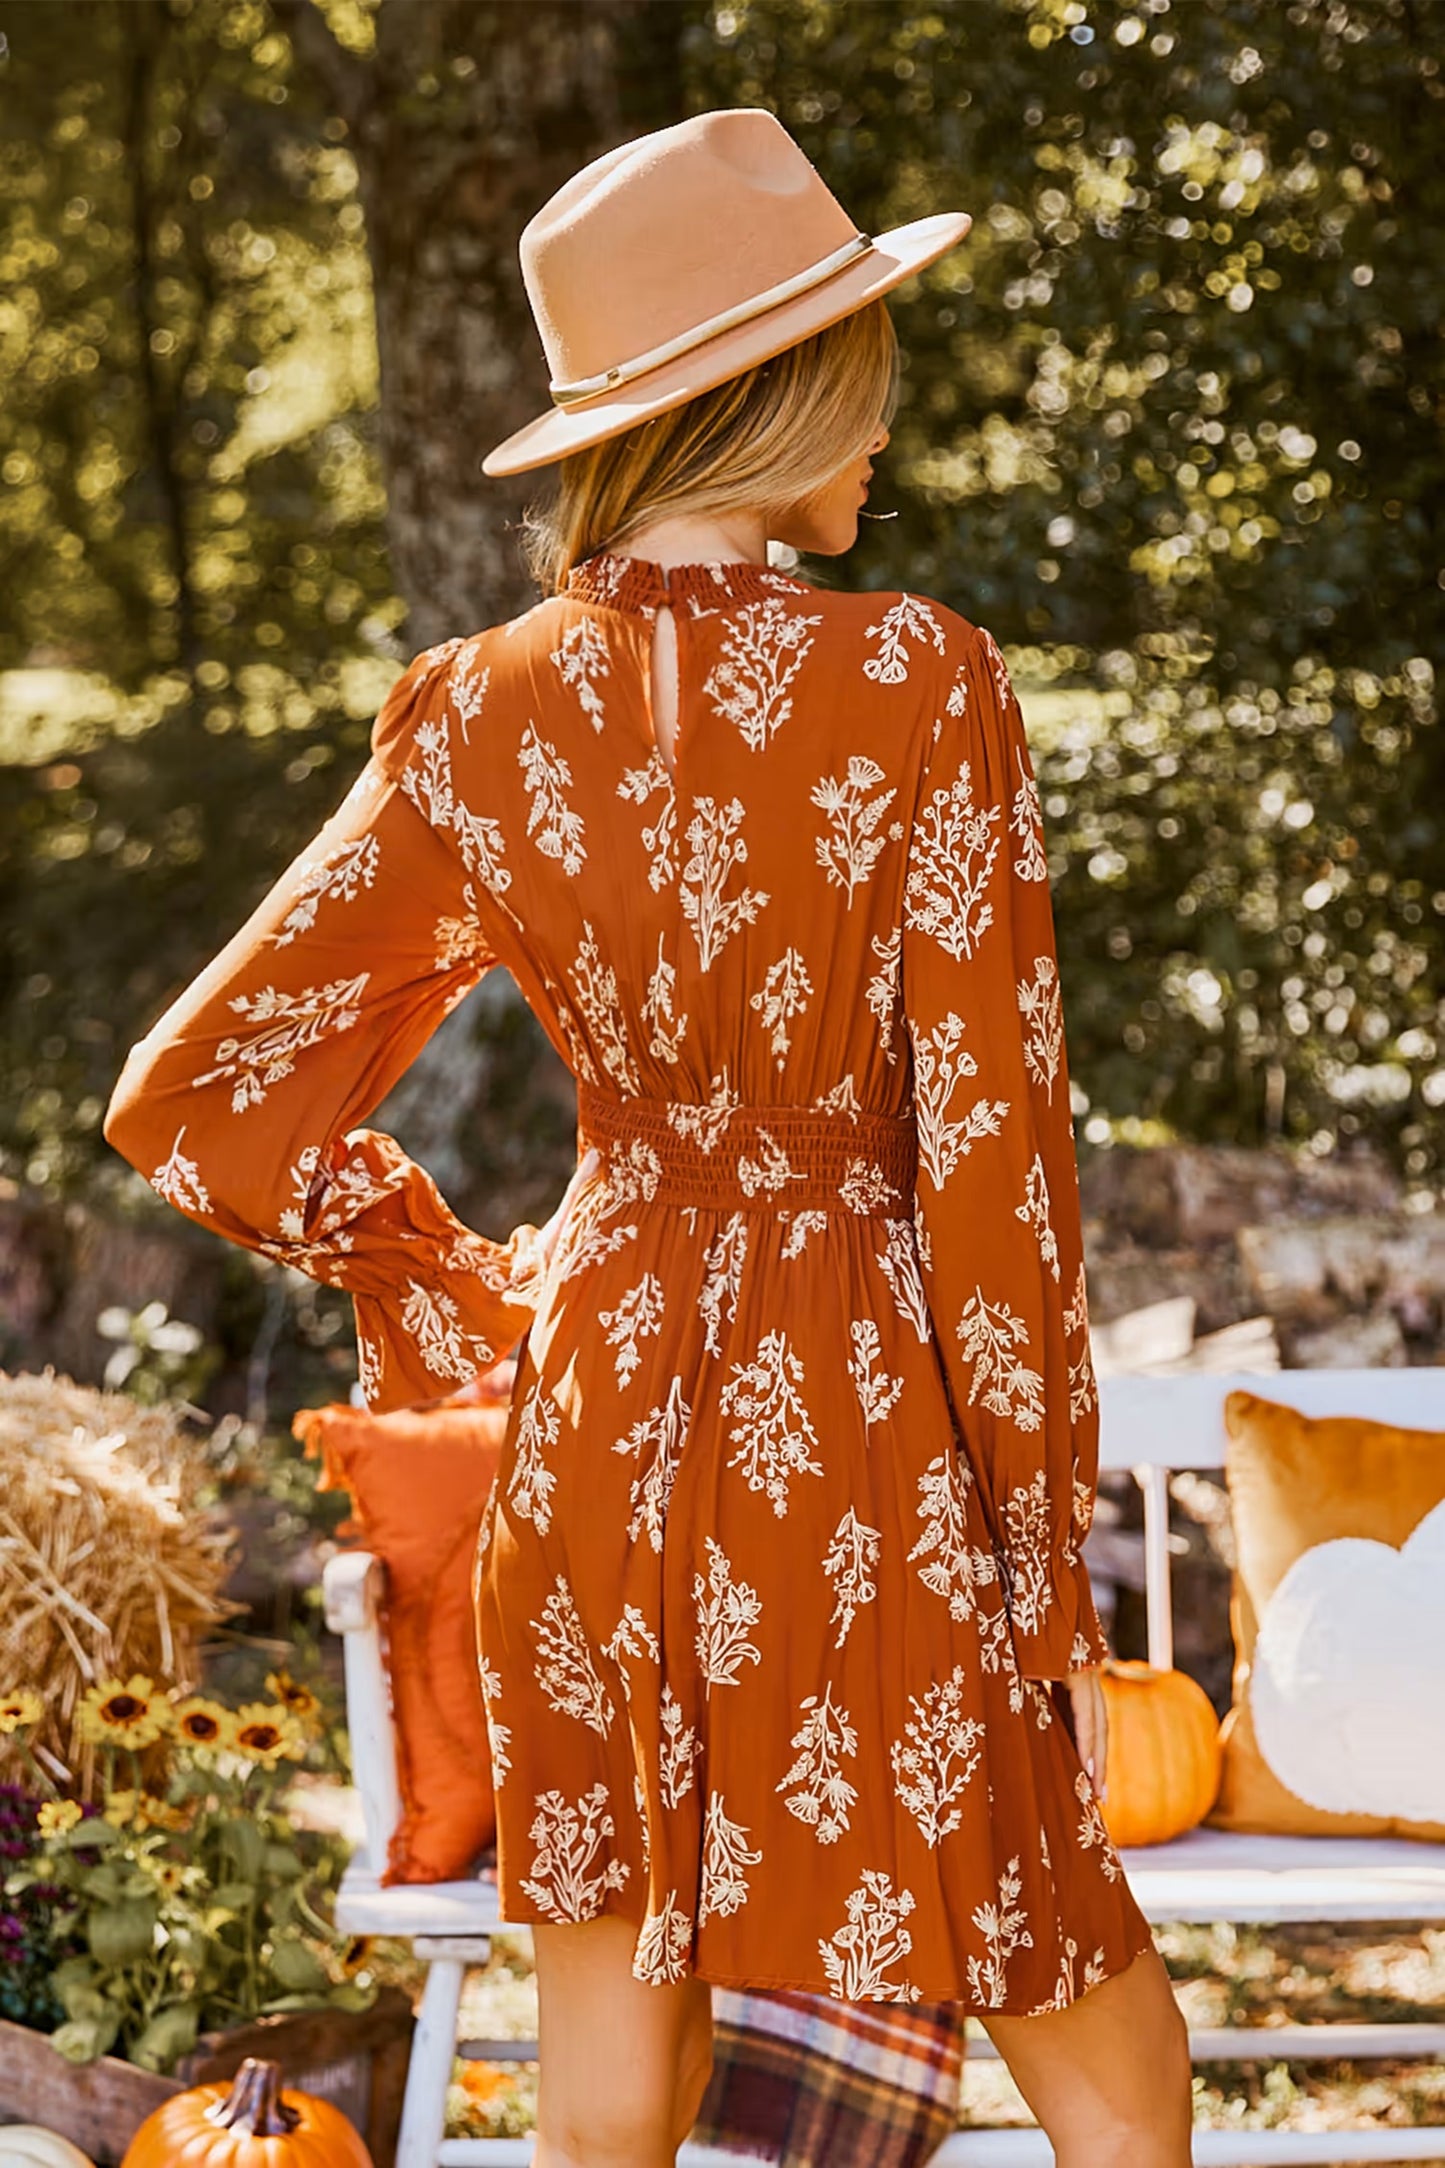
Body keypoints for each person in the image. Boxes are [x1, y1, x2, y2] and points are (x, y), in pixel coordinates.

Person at [104, 107, 1194, 2168]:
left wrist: (424, 1257)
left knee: (610, 2034)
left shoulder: (475, 708)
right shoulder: (920, 685)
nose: (883, 418)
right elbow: (990, 1164)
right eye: (855, 370)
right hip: (868, 1408)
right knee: (1095, 2025)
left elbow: (192, 1093)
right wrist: (1053, 1580)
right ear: (759, 386)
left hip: (599, 1393)